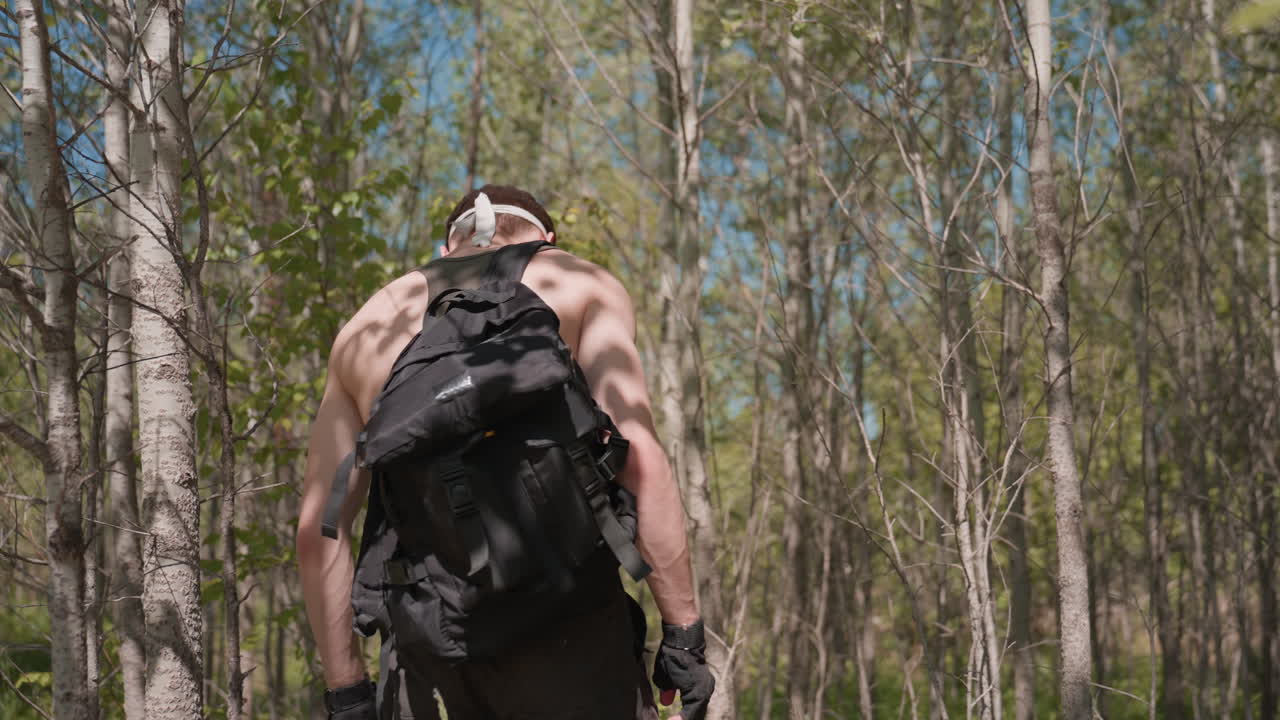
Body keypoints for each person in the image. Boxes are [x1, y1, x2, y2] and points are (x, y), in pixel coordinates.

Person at [296, 185, 715, 719]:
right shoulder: (579, 282)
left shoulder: (366, 329)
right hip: (575, 637)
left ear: (447, 249)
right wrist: (682, 636)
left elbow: (320, 530)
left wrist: (347, 693)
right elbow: (640, 460)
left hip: (430, 658)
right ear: (547, 239)